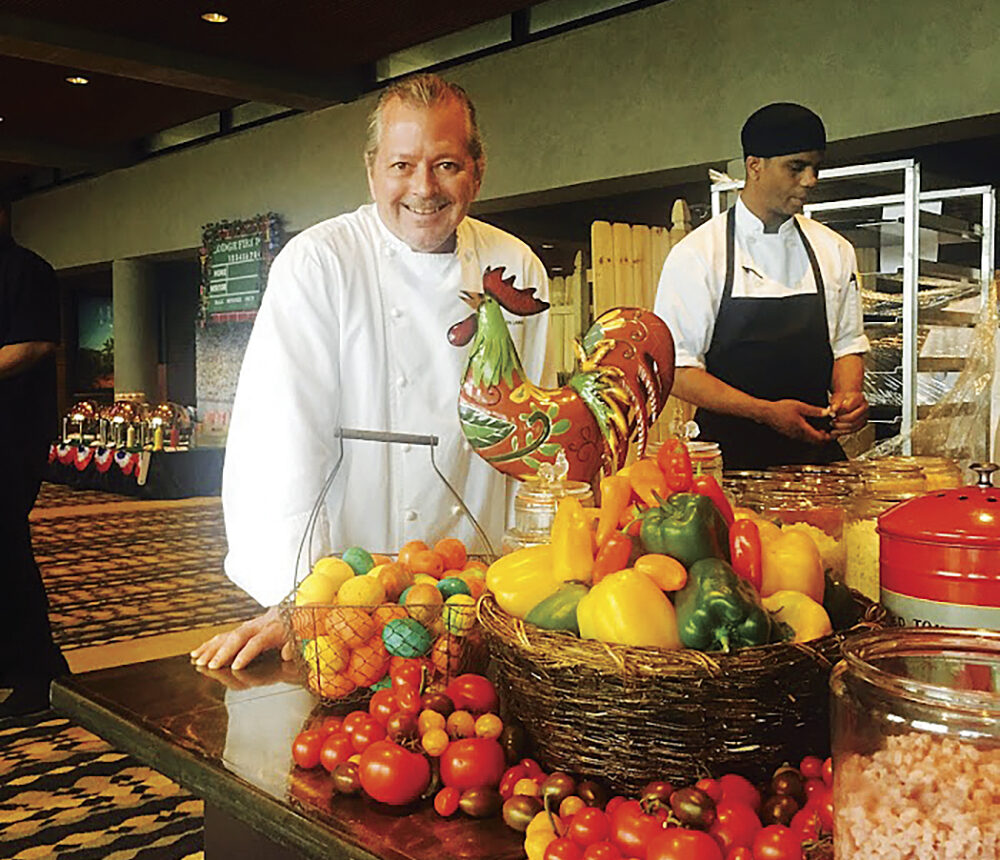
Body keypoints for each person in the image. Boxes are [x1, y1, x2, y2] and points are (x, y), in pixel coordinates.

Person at [192, 74, 550, 670]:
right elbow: (281, 440)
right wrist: (297, 601)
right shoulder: (319, 263)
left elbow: (533, 445)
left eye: (447, 166)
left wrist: (534, 584)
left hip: (475, 595)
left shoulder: (515, 265)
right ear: (372, 171)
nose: (423, 189)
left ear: (478, 170)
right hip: (346, 609)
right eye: (402, 165)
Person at [654, 103, 869, 471]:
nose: (811, 180)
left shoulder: (834, 250)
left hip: (816, 462)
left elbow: (847, 345)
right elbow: (678, 370)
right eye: (796, 167)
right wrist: (765, 412)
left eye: (816, 167)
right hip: (726, 465)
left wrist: (850, 396)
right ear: (755, 166)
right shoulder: (698, 254)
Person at [0, 199, 69, 717]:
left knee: (6, 547)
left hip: (12, 437)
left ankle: (39, 673)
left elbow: (34, 345)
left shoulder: (27, 269)